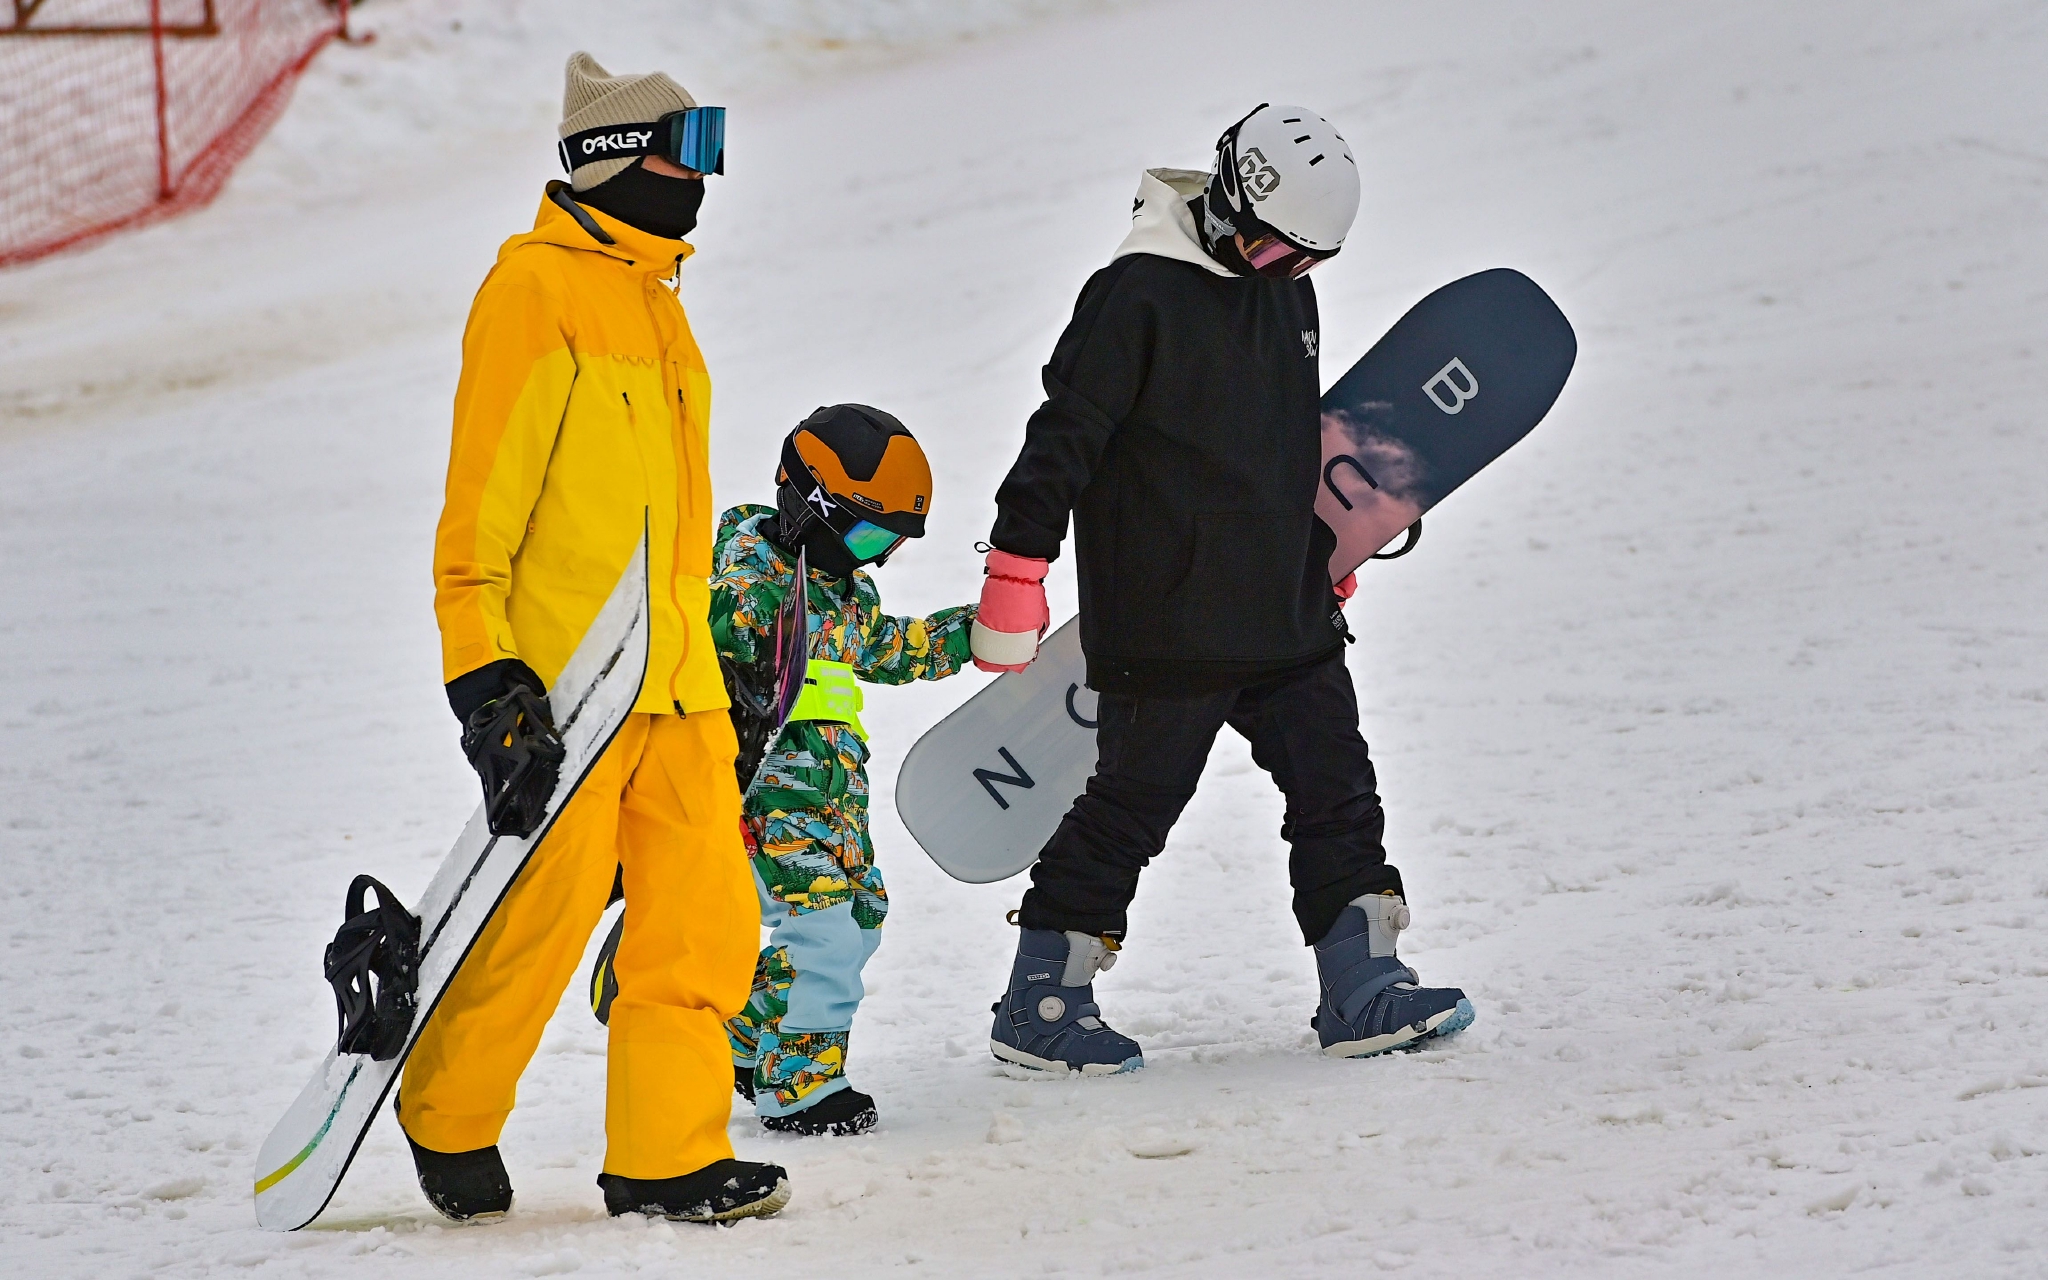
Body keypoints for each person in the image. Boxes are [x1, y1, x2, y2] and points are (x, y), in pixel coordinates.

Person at [970, 104, 1474, 1076]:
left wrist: (1322, 543)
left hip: (1283, 609)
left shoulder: (1286, 292)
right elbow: (1059, 439)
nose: (1284, 272)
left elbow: (1285, 440)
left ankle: (1361, 983)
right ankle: (1039, 998)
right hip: (1167, 616)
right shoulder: (1135, 296)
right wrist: (1013, 573)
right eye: (1272, 247)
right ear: (1229, 195)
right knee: (1133, 803)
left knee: (1336, 785)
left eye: (1307, 261)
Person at [403, 52, 788, 1224]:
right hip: (571, 684)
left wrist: (710, 650)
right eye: (689, 150)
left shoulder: (659, 303)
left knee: (702, 924)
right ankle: (447, 1110)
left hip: (673, 682)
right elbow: (481, 510)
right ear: (612, 159)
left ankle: (666, 1157)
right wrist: (484, 670)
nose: (703, 179)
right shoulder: (534, 291)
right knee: (541, 914)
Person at [715, 406, 975, 1134]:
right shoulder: (744, 584)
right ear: (808, 506)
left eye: (888, 543)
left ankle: (739, 1035)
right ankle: (801, 1086)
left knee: (859, 921)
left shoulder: (840, 589)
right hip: (771, 796)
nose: (872, 559)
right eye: (864, 534)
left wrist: (971, 633)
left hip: (834, 798)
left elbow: (889, 648)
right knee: (824, 932)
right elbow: (727, 631)